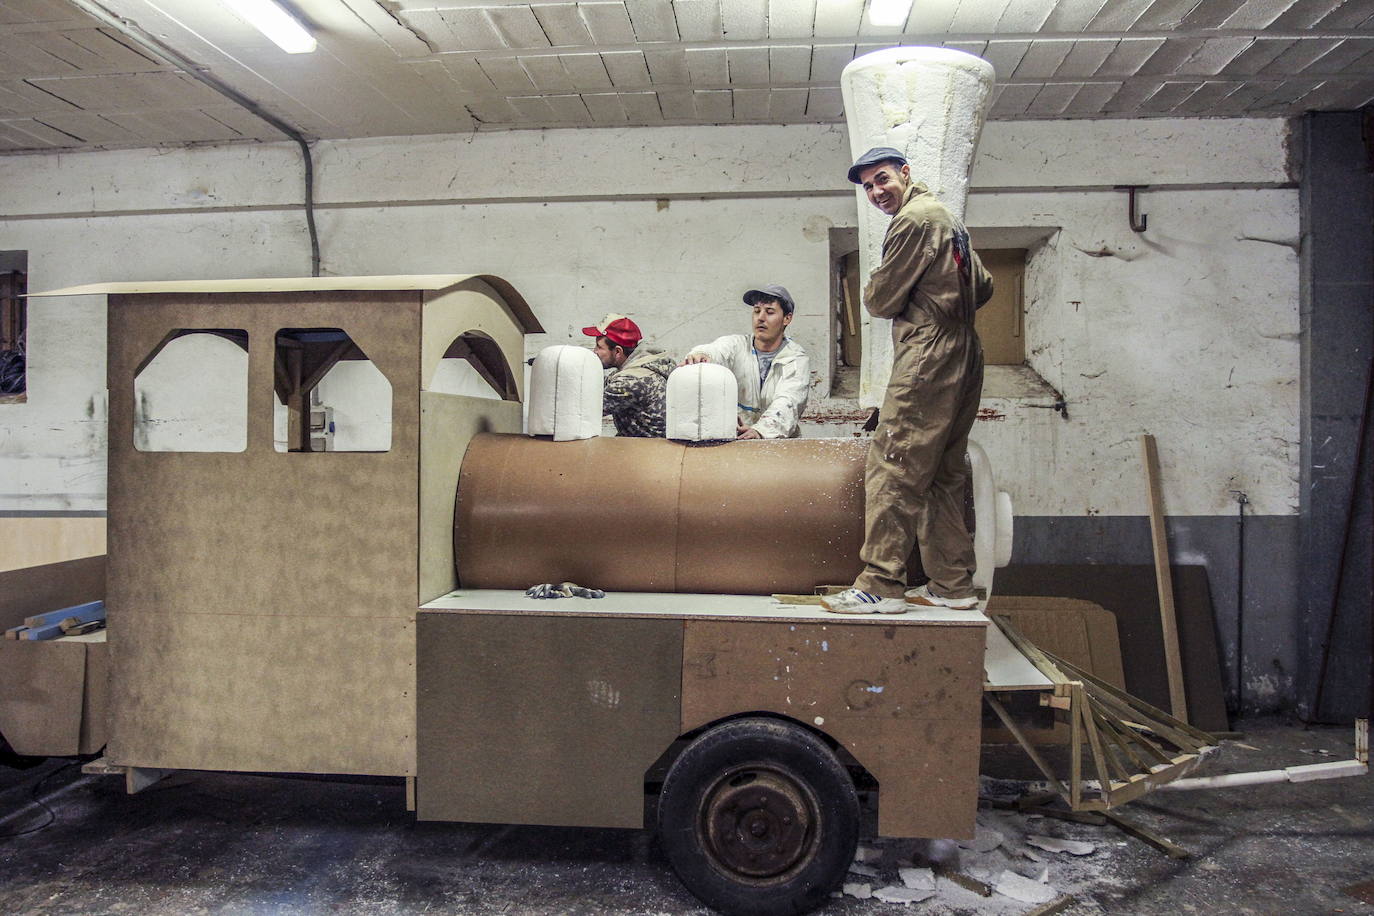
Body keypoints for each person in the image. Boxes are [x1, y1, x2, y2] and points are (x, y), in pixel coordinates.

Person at [822, 147, 994, 615]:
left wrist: (897, 294)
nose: (878, 191)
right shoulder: (948, 219)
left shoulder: (914, 220)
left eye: (882, 179)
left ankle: (880, 584)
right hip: (967, 349)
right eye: (869, 187)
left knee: (893, 463)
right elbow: (986, 286)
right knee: (942, 473)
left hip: (929, 352)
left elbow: (879, 299)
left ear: (905, 173)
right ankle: (953, 585)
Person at [681, 285, 810, 439]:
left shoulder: (795, 359)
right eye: (756, 311)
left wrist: (761, 431)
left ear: (787, 318)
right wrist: (702, 354)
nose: (760, 317)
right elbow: (717, 350)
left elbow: (789, 401)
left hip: (778, 444)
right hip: (736, 439)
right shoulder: (737, 346)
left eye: (769, 312)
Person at [582, 314, 675, 438]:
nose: (595, 352)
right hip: (652, 446)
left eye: (599, 347)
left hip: (645, 451)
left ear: (618, 352)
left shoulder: (629, 382)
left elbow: (582, 412)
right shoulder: (646, 364)